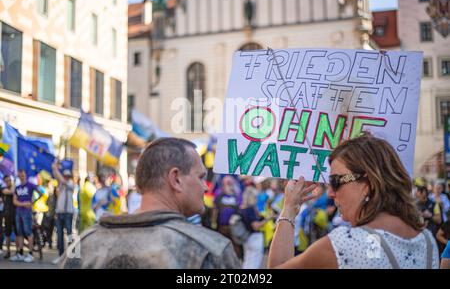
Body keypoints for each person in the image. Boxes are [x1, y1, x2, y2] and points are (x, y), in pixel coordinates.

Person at [59, 138, 240, 269]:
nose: (204, 187)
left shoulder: (84, 245)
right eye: (201, 177)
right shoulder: (210, 250)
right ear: (175, 179)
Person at [268, 133, 440, 269]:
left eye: (336, 181)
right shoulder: (426, 240)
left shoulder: (345, 244)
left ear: (368, 183)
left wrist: (289, 208)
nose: (330, 193)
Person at [11, 170, 43, 263]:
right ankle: (20, 253)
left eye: (22, 175)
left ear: (25, 175)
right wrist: (24, 203)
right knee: (20, 233)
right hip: (19, 212)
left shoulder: (30, 185)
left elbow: (41, 193)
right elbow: (14, 201)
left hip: (27, 212)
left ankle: (30, 253)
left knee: (28, 232)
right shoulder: (17, 187)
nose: (21, 176)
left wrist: (32, 202)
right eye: (20, 175)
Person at [52, 162, 75, 265]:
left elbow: (60, 179)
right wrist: (56, 211)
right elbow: (59, 200)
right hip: (60, 213)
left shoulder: (71, 184)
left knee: (70, 234)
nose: (65, 177)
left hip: (68, 213)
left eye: (67, 176)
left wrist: (55, 169)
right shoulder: (60, 185)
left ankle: (71, 256)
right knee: (59, 235)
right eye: (64, 175)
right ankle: (61, 256)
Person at [0, 175, 16, 259]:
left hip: (16, 213)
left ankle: (18, 252)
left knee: (18, 233)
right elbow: (11, 192)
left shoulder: (16, 187)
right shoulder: (3, 189)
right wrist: (15, 182)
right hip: (7, 214)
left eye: (9, 180)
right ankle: (8, 251)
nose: (8, 182)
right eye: (6, 181)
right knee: (7, 234)